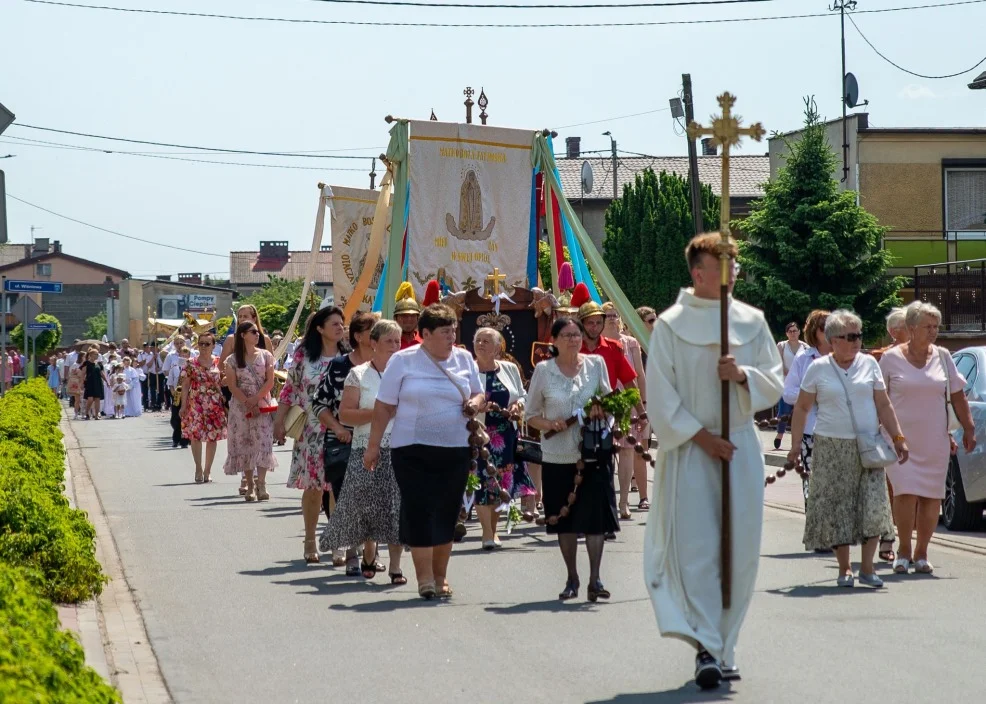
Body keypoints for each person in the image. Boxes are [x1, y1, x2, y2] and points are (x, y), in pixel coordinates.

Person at [644, 233, 784, 690]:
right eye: (720, 267)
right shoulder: (670, 325)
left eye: (734, 267)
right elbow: (660, 397)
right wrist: (703, 438)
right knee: (700, 549)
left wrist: (742, 375)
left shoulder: (751, 320)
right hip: (691, 449)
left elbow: (775, 380)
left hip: (739, 444)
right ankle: (705, 646)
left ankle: (727, 643)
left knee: (739, 549)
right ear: (698, 273)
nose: (730, 276)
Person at [364, 304, 483, 600]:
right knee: (419, 509)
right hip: (411, 449)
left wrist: (475, 404)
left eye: (453, 330)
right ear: (425, 334)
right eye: (445, 332)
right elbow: (384, 406)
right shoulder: (403, 361)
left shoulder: (464, 358)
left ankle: (441, 576)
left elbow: (480, 393)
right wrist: (373, 445)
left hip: (455, 448)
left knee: (447, 510)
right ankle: (425, 578)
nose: (451, 337)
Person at [788, 310, 908, 589]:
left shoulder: (869, 364)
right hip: (831, 446)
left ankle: (867, 568)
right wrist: (795, 445)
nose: (857, 342)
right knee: (838, 509)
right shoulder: (818, 369)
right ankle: (844, 569)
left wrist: (898, 437)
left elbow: (883, 404)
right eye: (850, 336)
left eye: (859, 336)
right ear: (832, 340)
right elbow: (802, 407)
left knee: (873, 506)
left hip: (868, 445)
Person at [880, 301, 976, 574]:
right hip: (899, 439)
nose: (934, 331)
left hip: (935, 439)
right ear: (911, 329)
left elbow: (957, 394)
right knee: (905, 492)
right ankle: (903, 550)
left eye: (936, 326)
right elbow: (879, 397)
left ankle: (922, 552)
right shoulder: (890, 359)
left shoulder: (944, 356)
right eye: (928, 326)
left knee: (932, 497)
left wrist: (968, 429)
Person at [527, 317, 615, 601]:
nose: (573, 340)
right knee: (565, 521)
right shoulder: (543, 370)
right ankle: (572, 578)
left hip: (592, 454)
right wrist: (550, 425)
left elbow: (611, 402)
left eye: (576, 334)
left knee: (595, 519)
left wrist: (604, 414)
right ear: (554, 340)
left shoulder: (595, 364)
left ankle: (596, 578)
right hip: (558, 456)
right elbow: (530, 415)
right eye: (566, 335)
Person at [321, 319, 406, 584]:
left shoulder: (406, 375)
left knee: (396, 506)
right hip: (364, 447)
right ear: (374, 343)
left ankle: (395, 566)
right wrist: (380, 412)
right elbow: (346, 414)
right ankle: (368, 551)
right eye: (389, 341)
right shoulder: (358, 374)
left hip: (399, 448)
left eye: (397, 341)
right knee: (368, 507)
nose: (394, 346)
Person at [274, 306, 349, 564]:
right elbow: (289, 389)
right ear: (320, 328)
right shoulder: (304, 356)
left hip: (343, 430)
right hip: (311, 431)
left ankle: (338, 540)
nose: (340, 327)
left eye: (342, 323)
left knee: (338, 487)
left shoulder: (348, 356)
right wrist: (279, 422)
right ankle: (309, 539)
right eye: (335, 324)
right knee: (314, 487)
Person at [312, 311, 375, 570]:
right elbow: (318, 403)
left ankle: (371, 553)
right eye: (374, 333)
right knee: (348, 498)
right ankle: (351, 552)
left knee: (373, 499)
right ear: (358, 337)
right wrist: (337, 427)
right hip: (344, 442)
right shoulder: (339, 366)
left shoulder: (388, 366)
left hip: (377, 441)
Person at [471, 327, 530, 550]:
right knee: (481, 482)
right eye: (478, 340)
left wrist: (517, 406)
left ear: (498, 347)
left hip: (505, 434)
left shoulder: (509, 368)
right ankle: (486, 533)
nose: (481, 344)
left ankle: (493, 531)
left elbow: (522, 395)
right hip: (477, 434)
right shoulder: (468, 369)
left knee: (499, 483)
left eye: (487, 341)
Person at [602, 301, 650, 517]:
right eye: (608, 315)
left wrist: (644, 405)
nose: (612, 318)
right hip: (601, 405)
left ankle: (623, 501)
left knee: (628, 449)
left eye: (615, 314)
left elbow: (639, 374)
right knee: (603, 453)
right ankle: (606, 498)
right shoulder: (595, 344)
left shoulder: (630, 343)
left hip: (628, 403)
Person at [780, 310, 831, 513]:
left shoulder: (844, 356)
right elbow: (788, 393)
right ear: (814, 332)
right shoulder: (804, 358)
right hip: (811, 431)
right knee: (813, 482)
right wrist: (812, 395)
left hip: (841, 431)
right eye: (824, 328)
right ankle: (816, 529)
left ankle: (834, 532)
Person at [224, 321, 277, 503]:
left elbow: (270, 381)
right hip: (240, 407)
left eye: (257, 332)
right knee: (245, 443)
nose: (257, 334)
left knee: (262, 442)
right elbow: (232, 385)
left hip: (262, 403)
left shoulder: (266, 356)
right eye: (252, 332)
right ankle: (250, 484)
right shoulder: (232, 360)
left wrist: (255, 400)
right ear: (242, 335)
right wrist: (247, 402)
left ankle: (261, 483)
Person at [180, 333, 227, 483]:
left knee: (212, 438)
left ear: (214, 346)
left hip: (215, 405)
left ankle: (208, 471)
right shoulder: (190, 363)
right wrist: (183, 405)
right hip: (196, 404)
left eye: (207, 344)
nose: (204, 347)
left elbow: (225, 382)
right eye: (201, 344)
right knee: (196, 436)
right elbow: (185, 385)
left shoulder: (220, 363)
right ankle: (198, 468)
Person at [774, 322, 809, 450]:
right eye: (790, 331)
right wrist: (789, 373)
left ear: (799, 332)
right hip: (786, 383)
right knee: (784, 411)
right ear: (786, 333)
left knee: (801, 412)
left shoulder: (805, 347)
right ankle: (779, 435)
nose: (793, 333)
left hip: (801, 385)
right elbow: (777, 362)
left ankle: (799, 439)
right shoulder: (782, 346)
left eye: (795, 330)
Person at [168, 348, 191, 449]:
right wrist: (173, 392)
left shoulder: (191, 368)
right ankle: (175, 439)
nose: (184, 357)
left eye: (186, 355)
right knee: (175, 419)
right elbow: (170, 382)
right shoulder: (174, 368)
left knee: (186, 419)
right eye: (182, 355)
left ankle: (184, 441)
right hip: (177, 395)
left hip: (188, 395)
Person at [394, 284, 422, 349]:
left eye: (412, 316)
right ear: (395, 318)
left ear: (418, 318)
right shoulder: (389, 343)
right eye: (404, 315)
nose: (409, 319)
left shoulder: (426, 342)